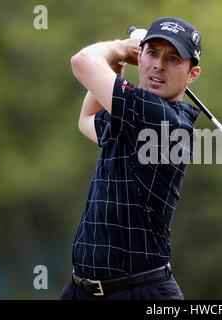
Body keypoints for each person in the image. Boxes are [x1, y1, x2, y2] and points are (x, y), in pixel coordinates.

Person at [59, 16, 202, 300]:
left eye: (173, 58)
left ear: (192, 74)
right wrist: (119, 63)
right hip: (81, 291)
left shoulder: (163, 120)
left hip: (139, 292)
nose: (158, 65)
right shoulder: (133, 114)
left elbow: (82, 61)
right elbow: (86, 119)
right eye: (152, 53)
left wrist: (122, 49)